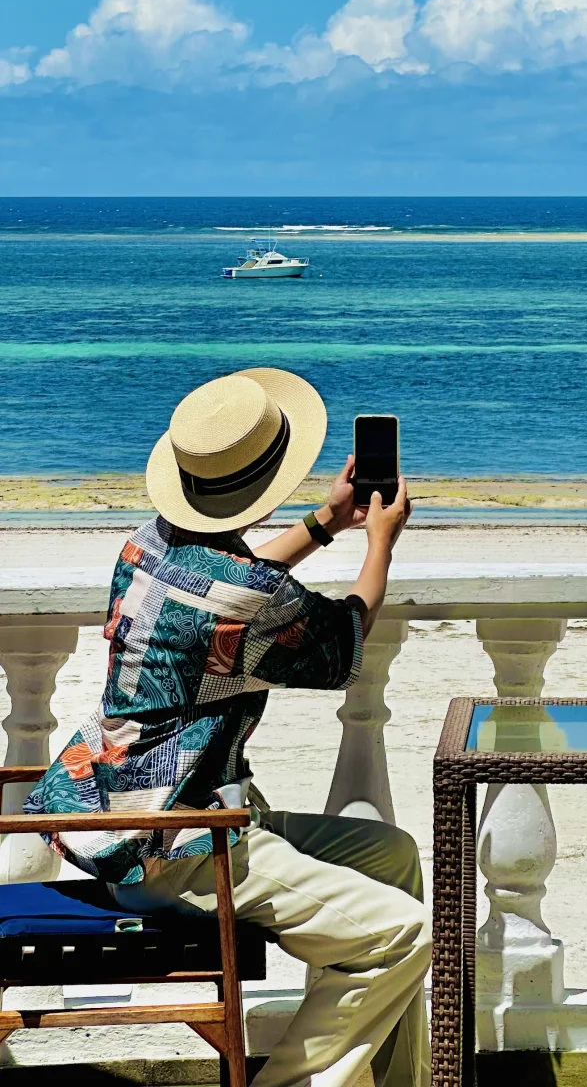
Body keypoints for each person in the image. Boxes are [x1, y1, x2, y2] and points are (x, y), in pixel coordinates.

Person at [25, 367, 430, 1087]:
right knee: (403, 934)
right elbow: (343, 644)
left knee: (389, 853)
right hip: (179, 849)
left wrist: (324, 525)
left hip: (117, 821)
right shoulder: (245, 597)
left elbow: (229, 587)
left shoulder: (144, 546)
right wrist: (380, 545)